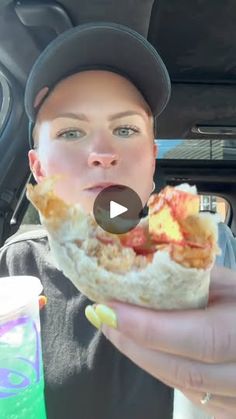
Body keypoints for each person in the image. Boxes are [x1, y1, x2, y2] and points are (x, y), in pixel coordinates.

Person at [0, 22, 235, 419]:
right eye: (72, 131)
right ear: (38, 168)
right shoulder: (13, 267)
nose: (102, 153)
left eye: (125, 129)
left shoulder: (218, 252)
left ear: (152, 159)